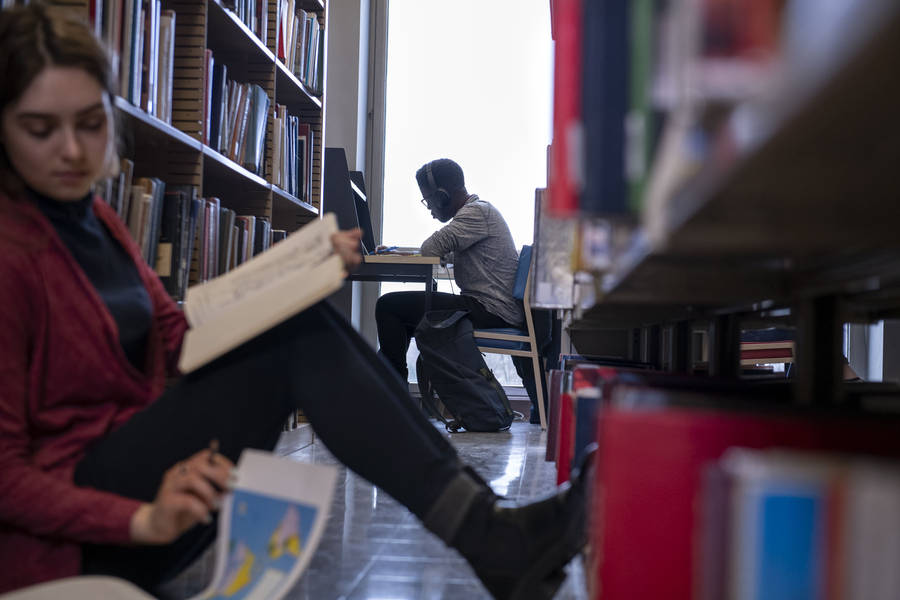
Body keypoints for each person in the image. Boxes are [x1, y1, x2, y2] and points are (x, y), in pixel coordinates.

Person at [0, 5, 591, 600]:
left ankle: (491, 532)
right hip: (84, 528)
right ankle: (492, 536)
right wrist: (138, 520)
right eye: (41, 129)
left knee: (300, 325)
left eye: (89, 123)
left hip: (147, 468)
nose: (73, 151)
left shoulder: (99, 220)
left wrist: (284, 280)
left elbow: (178, 342)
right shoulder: (12, 252)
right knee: (305, 340)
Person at [375, 159, 538, 399]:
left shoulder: (476, 213)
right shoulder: (479, 213)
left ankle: (393, 397)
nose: (429, 207)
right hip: (489, 307)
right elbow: (445, 252)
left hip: (489, 310)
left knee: (388, 307)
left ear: (442, 196)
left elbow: (432, 247)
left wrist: (422, 252)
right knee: (403, 314)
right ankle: (392, 393)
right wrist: (404, 252)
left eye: (428, 200)